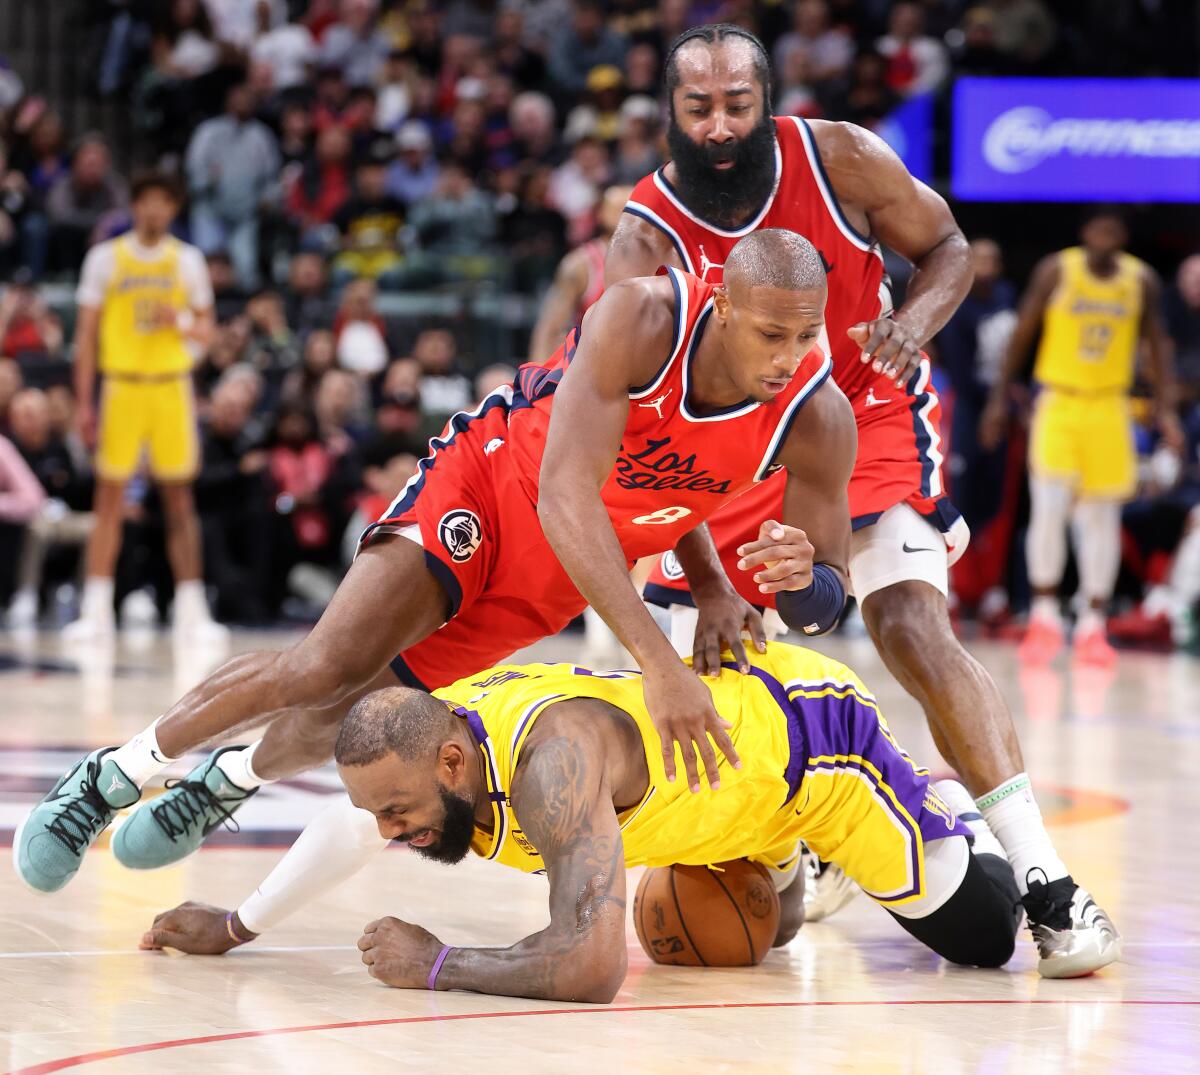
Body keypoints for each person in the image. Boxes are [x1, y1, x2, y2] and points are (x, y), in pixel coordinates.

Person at [16, 230, 853, 910]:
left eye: (807, 334)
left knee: (363, 704)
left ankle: (226, 779)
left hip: (555, 574)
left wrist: (755, 582)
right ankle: (114, 774)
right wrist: (659, 663)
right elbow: (569, 494)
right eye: (771, 334)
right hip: (490, 485)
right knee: (326, 664)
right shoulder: (642, 319)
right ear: (722, 304)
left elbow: (807, 584)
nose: (789, 355)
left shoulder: (814, 413)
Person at [611, 24, 1118, 975]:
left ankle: (1050, 882)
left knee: (911, 625)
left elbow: (950, 247)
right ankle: (818, 833)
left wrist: (912, 326)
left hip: (862, 410)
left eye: (737, 104)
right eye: (697, 108)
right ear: (669, 115)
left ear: (768, 100)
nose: (719, 126)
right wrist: (709, 579)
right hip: (727, 448)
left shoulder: (839, 155)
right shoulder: (645, 235)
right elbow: (644, 431)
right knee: (747, 806)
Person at [139, 642, 1035, 992]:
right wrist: (234, 922)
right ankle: (791, 862)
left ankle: (944, 799)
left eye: (400, 814)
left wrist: (440, 962)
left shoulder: (550, 764)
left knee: (987, 937)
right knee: (766, 939)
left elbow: (594, 966)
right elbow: (349, 821)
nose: (389, 832)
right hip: (724, 803)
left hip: (815, 750)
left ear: (453, 762)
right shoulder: (430, 744)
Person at [980, 207, 1180, 666]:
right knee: (1049, 511)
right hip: (1059, 401)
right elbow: (1022, 333)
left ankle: (1092, 622)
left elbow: (1157, 346)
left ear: (1124, 235)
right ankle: (1045, 617)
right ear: (1086, 231)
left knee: (1101, 520)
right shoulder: (1058, 269)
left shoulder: (1141, 280)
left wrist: (1165, 412)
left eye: (1115, 227)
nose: (1106, 233)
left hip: (1111, 405)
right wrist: (998, 399)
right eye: (1099, 225)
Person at [59, 172, 226, 644]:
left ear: (173, 208)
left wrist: (184, 320)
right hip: (121, 387)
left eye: (163, 202)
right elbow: (86, 337)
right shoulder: (105, 258)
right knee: (108, 499)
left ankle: (192, 610)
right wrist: (83, 402)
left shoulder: (188, 260)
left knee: (179, 498)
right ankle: (95, 610)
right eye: (146, 201)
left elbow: (208, 333)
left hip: (171, 385)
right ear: (133, 206)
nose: (154, 210)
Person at [528, 184, 634, 362]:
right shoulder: (579, 264)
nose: (621, 213)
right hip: (591, 364)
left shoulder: (655, 259)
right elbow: (550, 327)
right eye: (615, 208)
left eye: (627, 207)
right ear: (599, 213)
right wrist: (534, 379)